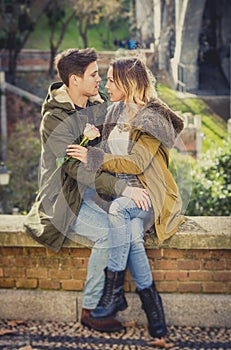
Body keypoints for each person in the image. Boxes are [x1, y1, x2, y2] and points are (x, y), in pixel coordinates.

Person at [24, 48, 150, 333]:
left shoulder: (98, 104)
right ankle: (91, 309)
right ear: (74, 79)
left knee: (127, 227)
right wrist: (122, 190)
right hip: (65, 198)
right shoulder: (54, 120)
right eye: (93, 75)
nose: (99, 81)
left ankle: (117, 298)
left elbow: (128, 110)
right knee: (108, 232)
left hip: (93, 194)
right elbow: (74, 169)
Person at [66, 57, 185, 347]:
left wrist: (93, 158)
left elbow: (136, 162)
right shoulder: (116, 111)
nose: (105, 85)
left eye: (110, 80)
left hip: (150, 195)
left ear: (127, 84)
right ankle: (154, 311)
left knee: (120, 210)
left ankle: (112, 292)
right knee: (130, 234)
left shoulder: (153, 117)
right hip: (122, 195)